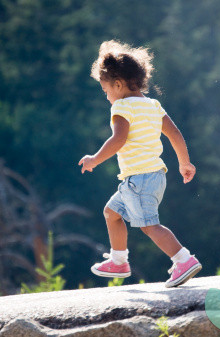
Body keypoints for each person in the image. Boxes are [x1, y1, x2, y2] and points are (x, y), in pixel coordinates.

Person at [78, 40, 201, 288]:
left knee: (149, 226)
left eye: (105, 91)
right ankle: (119, 261)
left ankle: (184, 260)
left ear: (119, 84)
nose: (107, 97)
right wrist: (184, 163)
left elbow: (118, 139)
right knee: (111, 213)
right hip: (150, 177)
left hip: (139, 179)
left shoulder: (122, 107)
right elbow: (175, 133)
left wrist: (95, 159)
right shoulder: (153, 105)